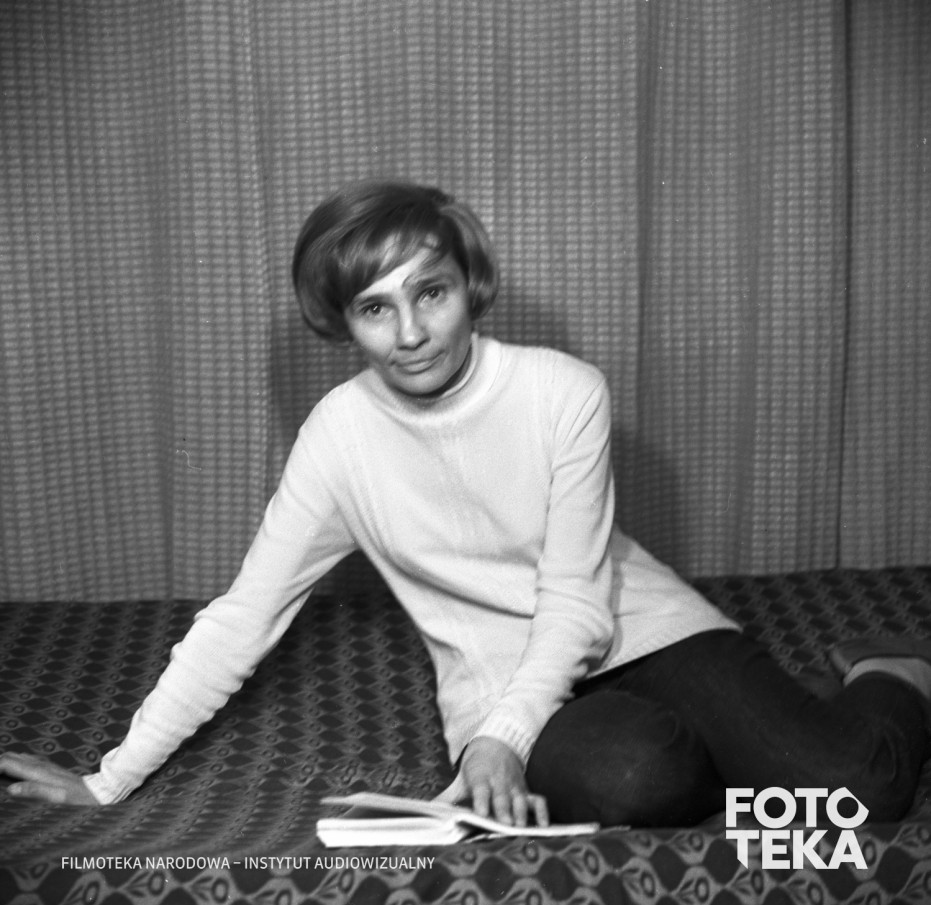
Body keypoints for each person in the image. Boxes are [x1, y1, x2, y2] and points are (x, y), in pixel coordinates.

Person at [2, 180, 929, 828]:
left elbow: (575, 601)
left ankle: (885, 669)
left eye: (430, 293)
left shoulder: (562, 391)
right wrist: (108, 780)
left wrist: (506, 743)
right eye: (375, 308)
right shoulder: (339, 436)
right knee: (638, 777)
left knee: (860, 787)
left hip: (639, 629)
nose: (410, 333)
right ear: (344, 322)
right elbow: (245, 615)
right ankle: (762, 727)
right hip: (494, 673)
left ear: (469, 285)